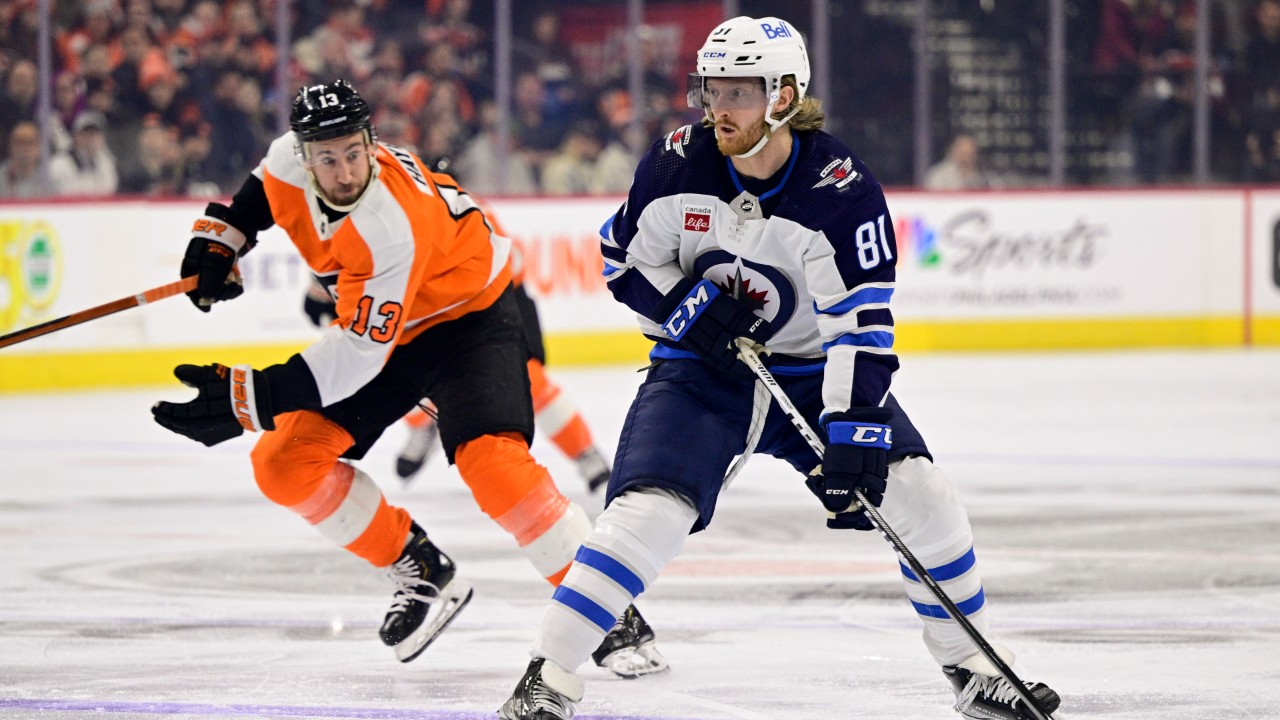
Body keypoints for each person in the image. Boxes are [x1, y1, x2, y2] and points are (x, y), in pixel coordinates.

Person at [498, 17, 1061, 720]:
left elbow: (859, 324)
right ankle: (546, 679)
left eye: (739, 90)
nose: (718, 108)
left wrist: (855, 430)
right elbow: (622, 261)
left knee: (925, 500)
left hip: (812, 374)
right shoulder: (678, 163)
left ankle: (971, 666)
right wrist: (687, 310)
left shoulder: (841, 193)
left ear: (786, 95)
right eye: (712, 88)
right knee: (648, 514)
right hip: (700, 373)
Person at [152, 79, 664, 677]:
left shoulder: (390, 222)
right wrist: (223, 241)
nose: (345, 172)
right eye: (327, 158)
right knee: (282, 464)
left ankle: (607, 611)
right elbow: (257, 195)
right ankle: (422, 569)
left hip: (468, 320)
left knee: (493, 466)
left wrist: (252, 397)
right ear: (304, 153)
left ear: (370, 143)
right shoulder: (288, 159)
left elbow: (359, 356)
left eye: (353, 153)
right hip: (390, 327)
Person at [922, 133, 991, 190]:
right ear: (953, 150)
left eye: (970, 153)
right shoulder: (939, 175)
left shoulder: (984, 174)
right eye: (963, 153)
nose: (966, 157)